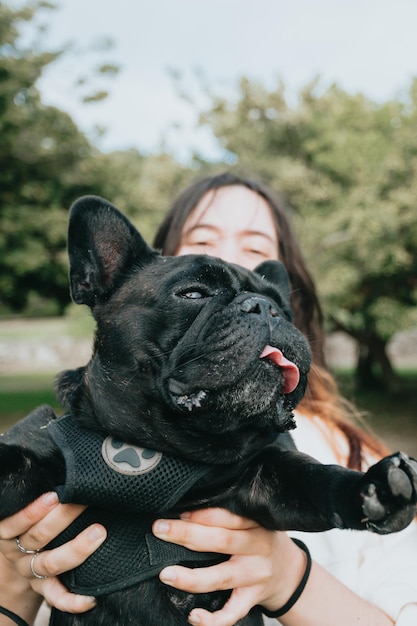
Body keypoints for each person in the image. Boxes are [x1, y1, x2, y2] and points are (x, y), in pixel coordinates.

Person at [0, 172, 416, 626]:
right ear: (114, 280)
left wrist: (291, 577)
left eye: (265, 288)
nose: (245, 290)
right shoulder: (60, 444)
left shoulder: (331, 452)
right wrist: (11, 581)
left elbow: (299, 486)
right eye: (196, 290)